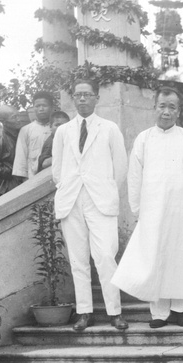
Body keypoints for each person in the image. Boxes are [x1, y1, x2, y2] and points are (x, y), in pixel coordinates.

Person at [112, 86, 183, 329]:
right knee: (156, 256)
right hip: (152, 209)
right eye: (162, 106)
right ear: (155, 108)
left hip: (182, 210)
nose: (166, 111)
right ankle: (160, 312)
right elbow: (134, 176)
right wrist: (139, 210)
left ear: (178, 111)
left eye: (172, 107)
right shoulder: (144, 139)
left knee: (181, 256)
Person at [52, 79, 129, 331]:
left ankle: (114, 312)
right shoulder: (63, 131)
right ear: (73, 99)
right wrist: (67, 188)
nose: (82, 99)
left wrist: (105, 191)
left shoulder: (109, 128)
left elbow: (120, 168)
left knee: (106, 256)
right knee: (77, 259)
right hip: (72, 200)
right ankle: (84, 312)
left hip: (100, 201)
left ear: (96, 98)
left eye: (87, 95)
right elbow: (56, 170)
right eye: (78, 95)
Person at [0, 105, 28, 197]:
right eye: (14, 117)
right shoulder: (1, 140)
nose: (18, 119)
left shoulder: (23, 133)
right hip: (12, 186)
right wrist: (13, 171)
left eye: (18, 115)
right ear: (3, 121)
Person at [13, 91, 55, 179]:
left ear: (51, 107)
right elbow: (21, 159)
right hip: (33, 178)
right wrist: (25, 182)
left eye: (44, 105)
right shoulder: (26, 130)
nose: (41, 109)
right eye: (37, 106)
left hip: (55, 176)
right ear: (33, 108)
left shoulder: (58, 128)